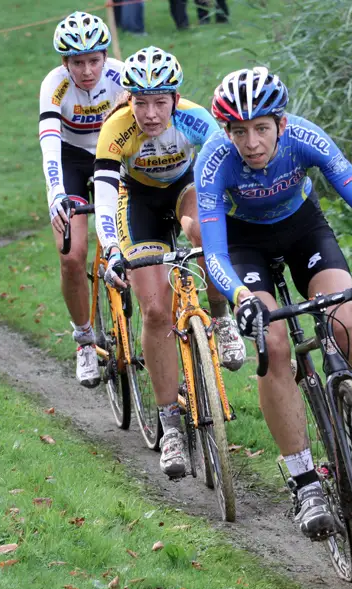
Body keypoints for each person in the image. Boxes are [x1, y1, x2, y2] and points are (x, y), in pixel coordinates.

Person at [195, 67, 352, 540]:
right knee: (272, 344)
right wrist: (239, 297)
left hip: (303, 229)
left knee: (340, 320)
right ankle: (303, 481)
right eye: (238, 131)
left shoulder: (307, 140)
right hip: (244, 244)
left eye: (261, 129)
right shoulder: (214, 162)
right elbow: (213, 253)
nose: (251, 142)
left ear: (281, 123)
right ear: (226, 131)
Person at [90, 47, 246, 479]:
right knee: (156, 310)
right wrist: (112, 249)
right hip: (137, 203)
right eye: (141, 102)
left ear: (175, 99)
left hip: (184, 188)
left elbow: (224, 169)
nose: (151, 113)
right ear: (129, 100)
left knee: (202, 233)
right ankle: (170, 425)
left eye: (160, 101)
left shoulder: (196, 119)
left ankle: (221, 318)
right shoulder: (116, 130)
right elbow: (104, 195)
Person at [38, 12, 126, 387]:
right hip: (72, 160)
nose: (88, 70)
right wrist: (56, 192)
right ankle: (84, 338)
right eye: (78, 63)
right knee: (71, 256)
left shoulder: (122, 76)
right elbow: (51, 143)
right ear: (65, 63)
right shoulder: (55, 85)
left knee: (133, 239)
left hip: (114, 155)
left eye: (94, 60)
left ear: (105, 56)